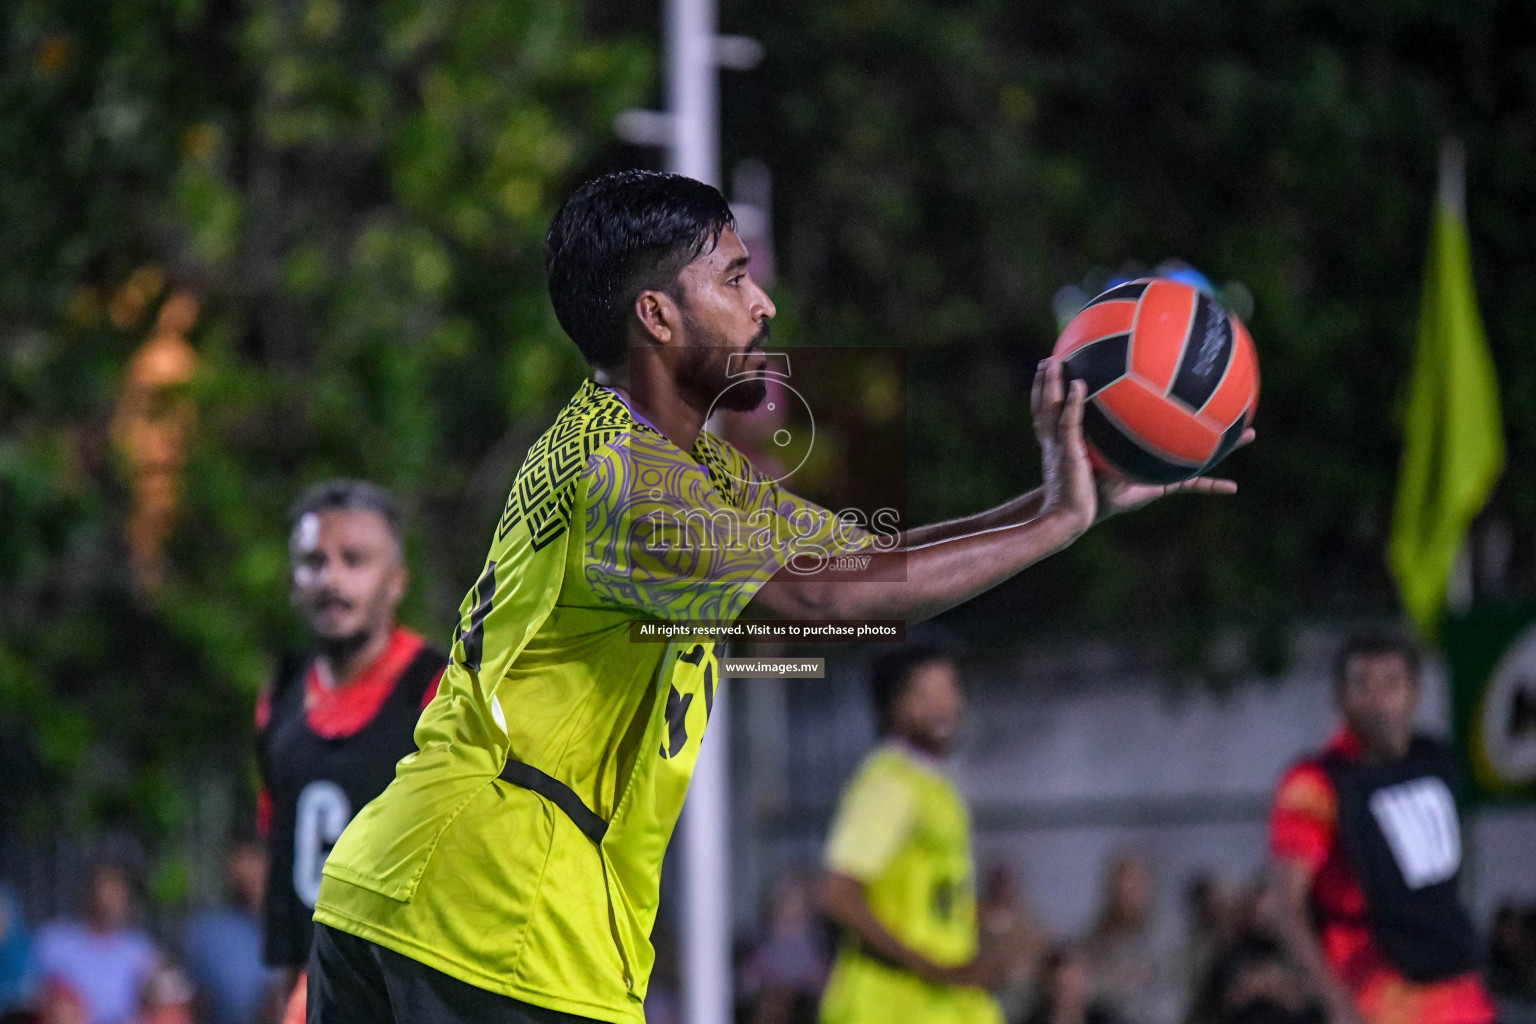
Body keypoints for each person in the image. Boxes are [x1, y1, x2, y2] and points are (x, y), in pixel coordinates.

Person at [308, 168, 1246, 1024]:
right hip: (487, 912)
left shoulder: (683, 463)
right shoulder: (626, 477)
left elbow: (872, 564)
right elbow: (825, 606)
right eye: (733, 277)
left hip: (421, 894)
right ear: (658, 316)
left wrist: (1061, 505)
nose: (762, 302)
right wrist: (1053, 525)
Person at [255, 480, 446, 1010]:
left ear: (396, 581)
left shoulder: (437, 690)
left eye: (354, 560)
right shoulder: (280, 697)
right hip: (310, 990)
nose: (331, 579)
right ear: (294, 580)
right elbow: (279, 857)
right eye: (314, 561)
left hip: (406, 990)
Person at [1269, 630, 1496, 1024]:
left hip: (1456, 984)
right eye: (1362, 685)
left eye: (1391, 684)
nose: (1377, 700)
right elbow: (1287, 906)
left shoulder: (1435, 762)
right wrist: (1335, 1000)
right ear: (1340, 697)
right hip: (1374, 991)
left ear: (1414, 692)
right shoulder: (1315, 784)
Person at [817, 644, 1002, 1024]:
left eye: (949, 689)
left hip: (940, 1001)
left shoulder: (932, 783)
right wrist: (936, 968)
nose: (944, 704)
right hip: (891, 1003)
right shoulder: (888, 784)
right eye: (925, 693)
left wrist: (984, 918)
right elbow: (838, 896)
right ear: (890, 707)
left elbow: (924, 896)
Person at [35, 858, 159, 1024]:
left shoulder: (139, 948)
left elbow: (160, 998)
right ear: (88, 893)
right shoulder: (54, 941)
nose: (111, 899)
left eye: (118, 891)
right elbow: (31, 995)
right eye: (105, 889)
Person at [181, 837, 276, 1024]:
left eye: (255, 858)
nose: (247, 870)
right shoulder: (208, 933)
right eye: (241, 860)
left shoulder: (304, 930)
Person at [1083, 852, 1178, 1024]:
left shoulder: (1166, 934)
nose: (1125, 898)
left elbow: (1172, 997)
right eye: (1119, 890)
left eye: (1132, 889)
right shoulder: (1095, 937)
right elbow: (1087, 987)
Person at [1023, 946, 1121, 1024]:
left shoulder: (1106, 1019)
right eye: (1065, 985)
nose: (1073, 992)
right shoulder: (1034, 1020)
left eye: (1077, 983)